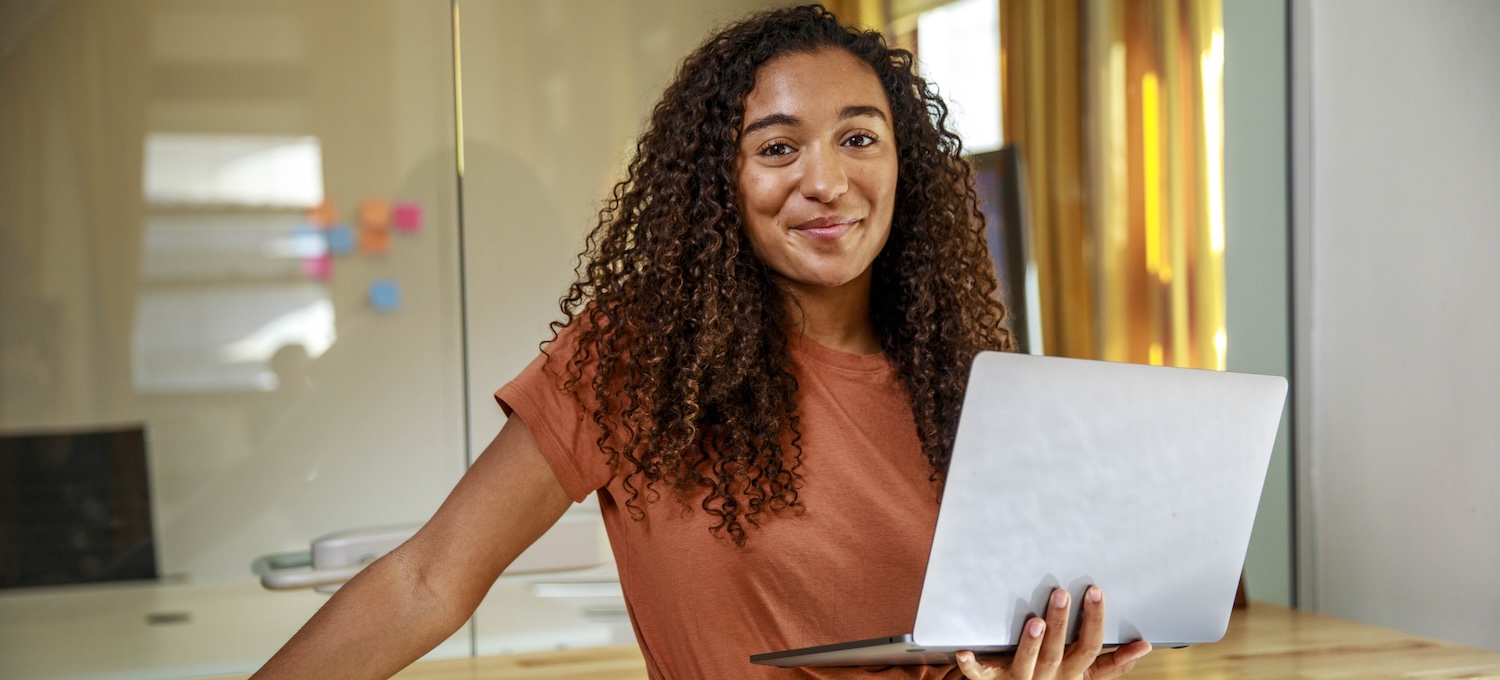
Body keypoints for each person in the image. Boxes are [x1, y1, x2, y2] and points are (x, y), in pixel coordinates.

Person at [250, 5, 1152, 679]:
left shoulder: (967, 390)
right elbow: (427, 583)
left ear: (902, 165)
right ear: (721, 183)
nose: (827, 181)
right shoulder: (640, 358)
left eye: (858, 138)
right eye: (776, 149)